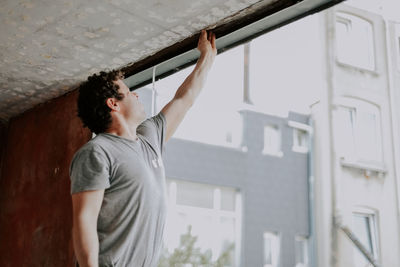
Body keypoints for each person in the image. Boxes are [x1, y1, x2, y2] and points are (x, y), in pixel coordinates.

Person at [69, 30, 217, 267]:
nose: (136, 94)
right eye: (129, 92)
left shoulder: (149, 138)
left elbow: (184, 99)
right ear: (113, 103)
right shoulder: (96, 153)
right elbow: (84, 220)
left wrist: (206, 58)